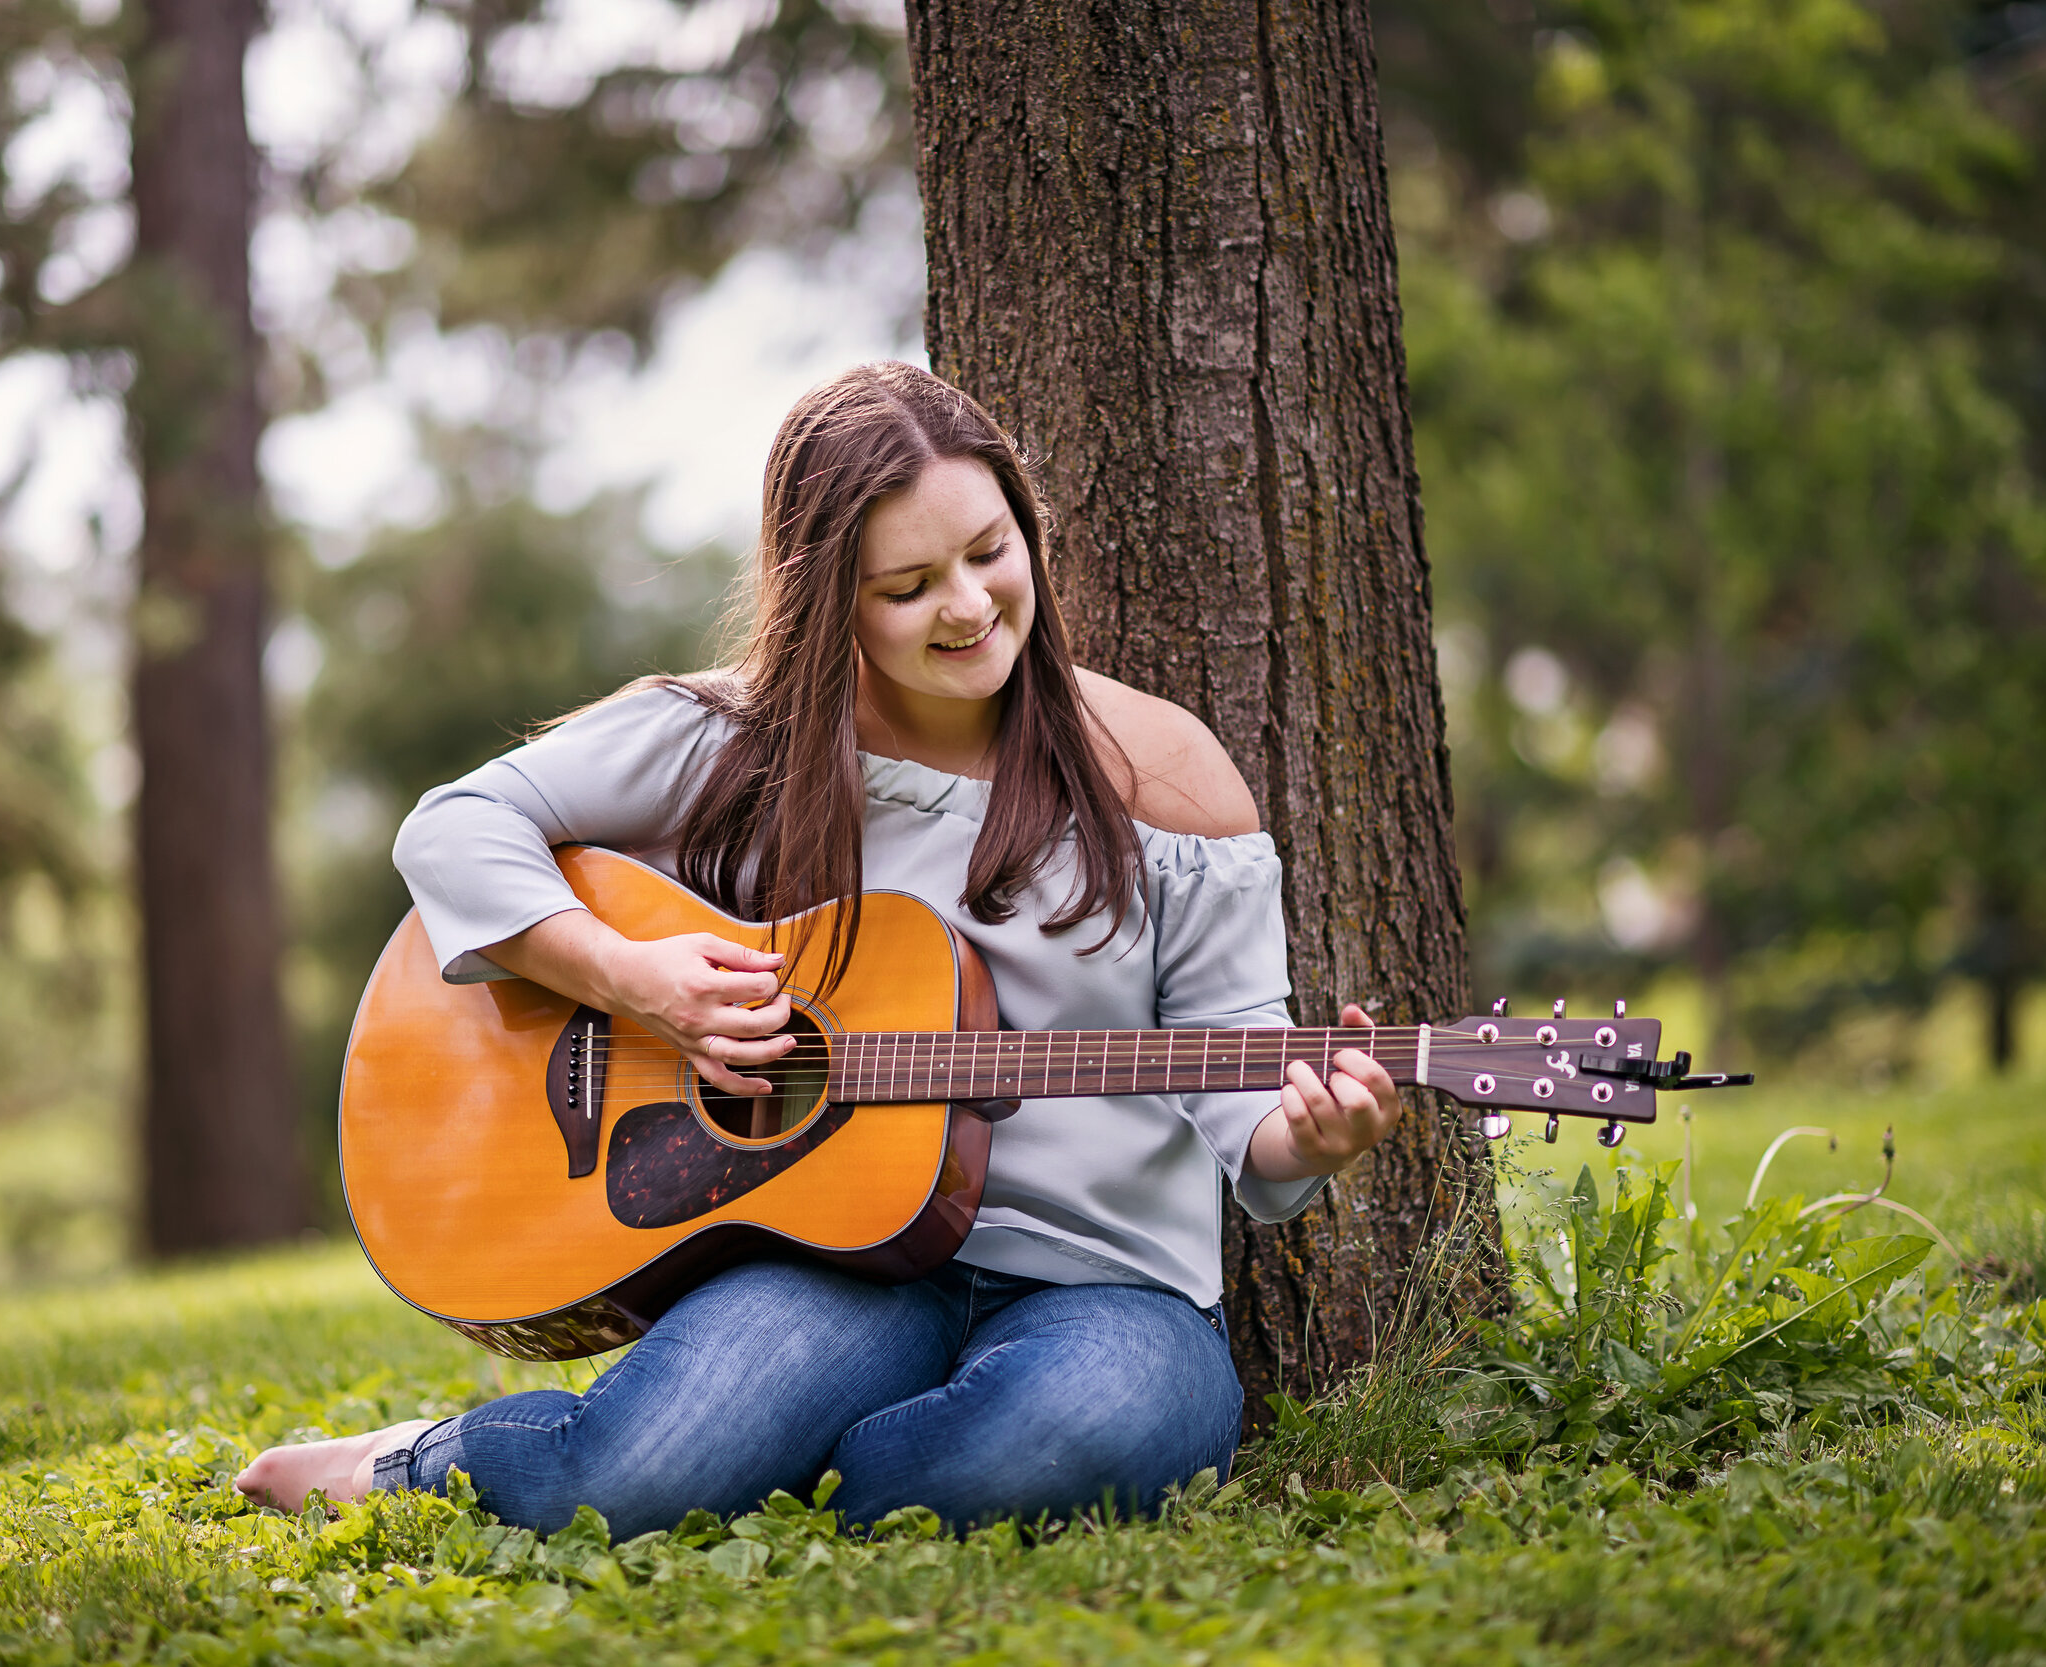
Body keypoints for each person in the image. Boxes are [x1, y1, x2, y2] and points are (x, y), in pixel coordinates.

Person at [236, 362, 1402, 1534]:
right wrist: (633, 976)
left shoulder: (1165, 773)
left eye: (990, 552)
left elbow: (1237, 1068)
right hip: (831, 1262)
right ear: (829, 594)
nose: (967, 606)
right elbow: (455, 825)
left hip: (1105, 1286)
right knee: (634, 1476)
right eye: (907, 585)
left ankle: (765, 1472)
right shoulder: (736, 743)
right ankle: (417, 1463)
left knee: (1072, 1439)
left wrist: (1300, 1133)